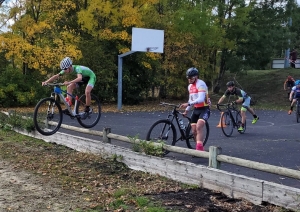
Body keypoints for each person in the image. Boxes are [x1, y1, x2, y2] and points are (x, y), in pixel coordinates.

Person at [180, 67, 210, 151]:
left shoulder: (201, 84)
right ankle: (198, 145)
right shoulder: (190, 86)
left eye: (191, 78)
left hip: (204, 108)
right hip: (196, 109)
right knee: (193, 131)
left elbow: (200, 99)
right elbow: (191, 99)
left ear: (196, 77)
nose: (189, 79)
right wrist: (186, 110)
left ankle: (199, 148)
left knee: (199, 127)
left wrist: (188, 104)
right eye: (188, 78)